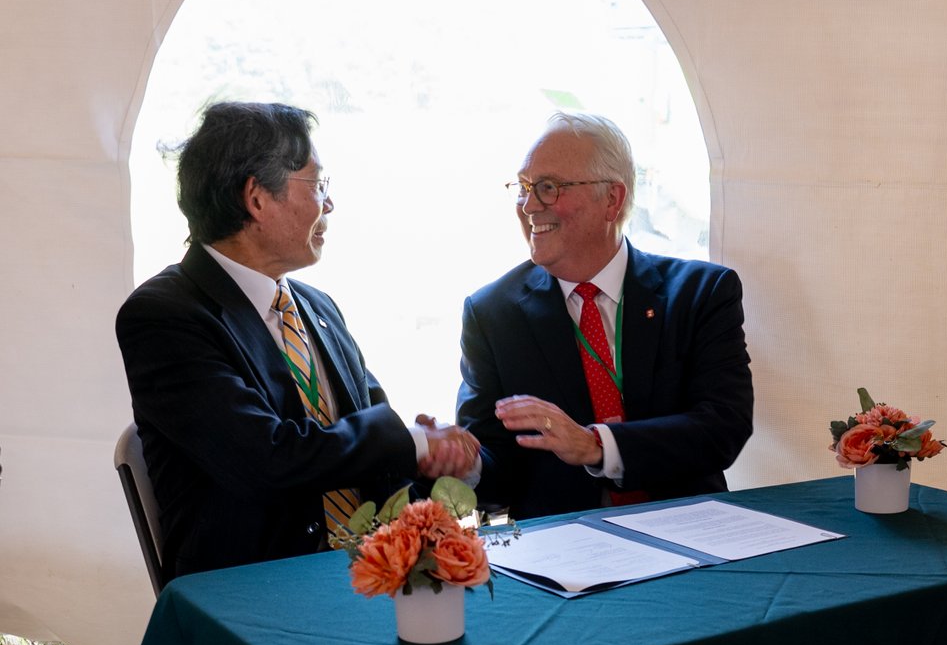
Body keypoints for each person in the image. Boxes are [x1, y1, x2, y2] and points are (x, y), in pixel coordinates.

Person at [116, 101, 477, 581]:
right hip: (252, 593)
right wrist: (408, 443)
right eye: (318, 185)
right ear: (257, 199)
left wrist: (431, 457)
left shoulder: (317, 307)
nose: (329, 204)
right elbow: (265, 459)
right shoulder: (164, 316)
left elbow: (367, 441)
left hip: (363, 580)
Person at [456, 112, 753, 519]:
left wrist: (597, 445)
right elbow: (496, 475)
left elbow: (723, 428)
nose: (528, 206)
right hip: (561, 562)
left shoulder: (701, 294)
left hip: (689, 538)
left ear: (611, 199)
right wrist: (462, 464)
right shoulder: (493, 313)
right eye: (523, 188)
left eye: (547, 187)